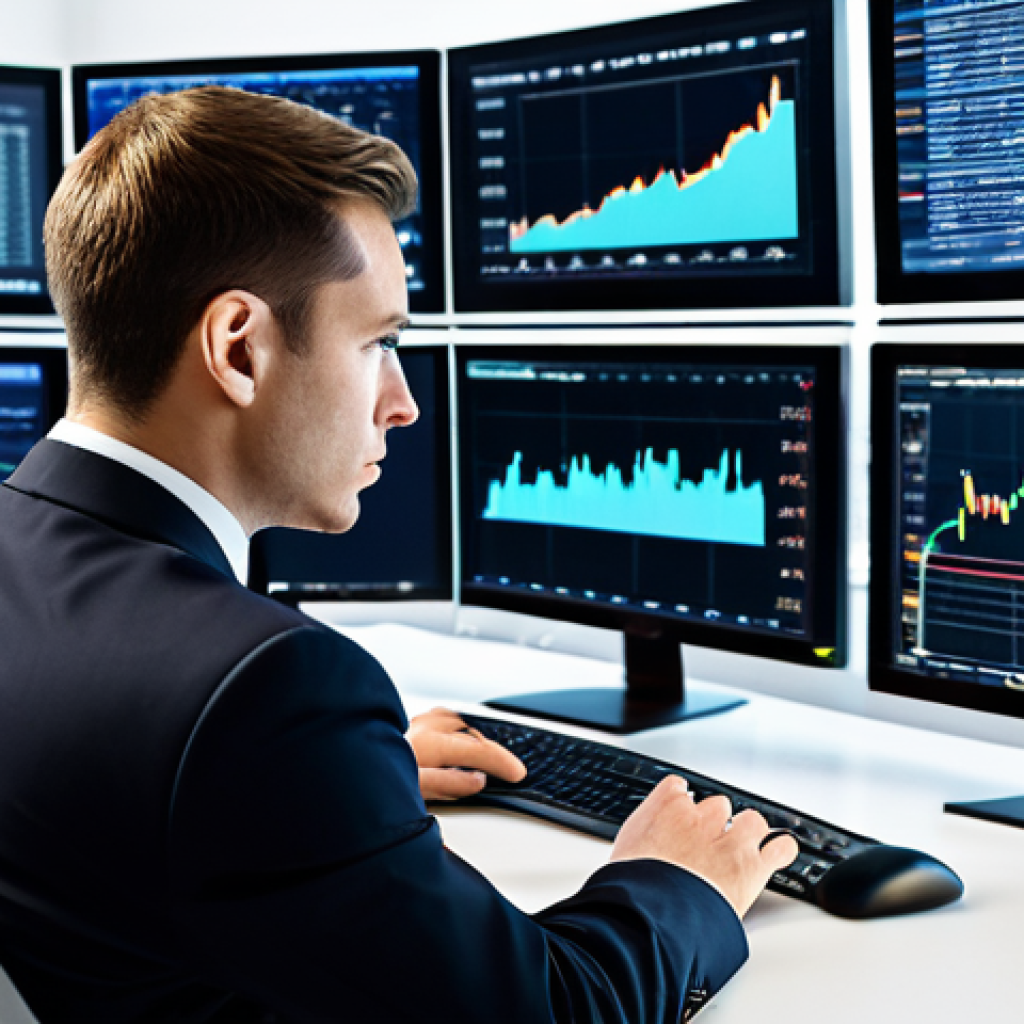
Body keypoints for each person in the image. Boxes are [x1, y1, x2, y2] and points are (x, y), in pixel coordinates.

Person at [0, 86, 797, 1023]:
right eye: (379, 341)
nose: (403, 402)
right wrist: (674, 883)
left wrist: (337, 789)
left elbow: (133, 794)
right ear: (238, 349)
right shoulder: (264, 692)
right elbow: (550, 1011)